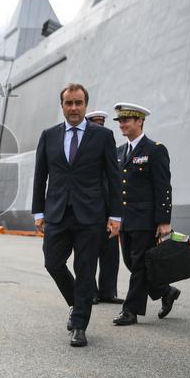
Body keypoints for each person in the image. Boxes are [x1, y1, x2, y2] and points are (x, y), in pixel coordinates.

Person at [32, 84, 122, 348]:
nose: (74, 108)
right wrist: (39, 212)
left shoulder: (102, 136)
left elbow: (114, 178)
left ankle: (80, 325)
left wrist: (116, 216)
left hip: (91, 215)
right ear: (62, 105)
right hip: (57, 213)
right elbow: (40, 177)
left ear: (85, 105)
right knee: (52, 262)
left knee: (85, 270)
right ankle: (76, 303)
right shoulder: (49, 136)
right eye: (69, 103)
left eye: (78, 103)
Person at [110, 103, 179, 326]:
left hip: (145, 219)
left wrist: (164, 220)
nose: (122, 124)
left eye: (127, 120)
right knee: (131, 262)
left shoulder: (155, 149)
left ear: (140, 121)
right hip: (126, 219)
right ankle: (166, 291)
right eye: (120, 121)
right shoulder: (120, 152)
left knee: (139, 264)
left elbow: (163, 187)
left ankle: (131, 311)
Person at [85, 110, 123, 305]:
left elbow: (116, 182)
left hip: (108, 210)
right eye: (95, 123)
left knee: (110, 254)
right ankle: (90, 292)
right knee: (88, 253)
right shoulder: (83, 151)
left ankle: (108, 292)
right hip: (90, 211)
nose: (99, 126)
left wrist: (116, 213)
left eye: (101, 123)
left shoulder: (111, 149)